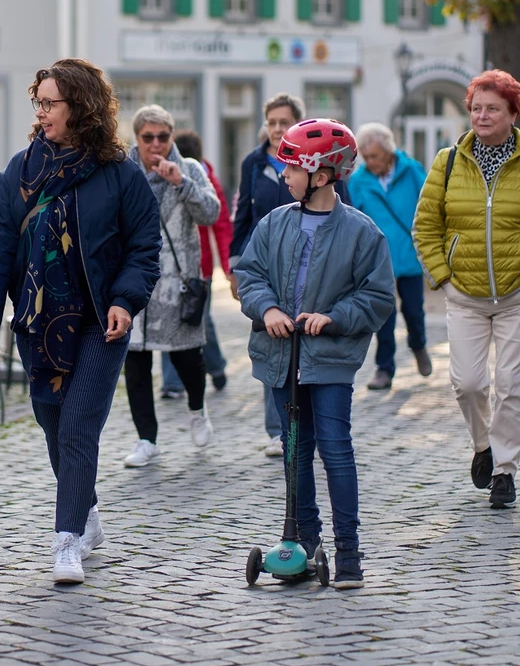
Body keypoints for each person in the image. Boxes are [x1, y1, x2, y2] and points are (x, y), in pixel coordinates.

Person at [0, 59, 161, 585]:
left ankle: (66, 540)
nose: (42, 111)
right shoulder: (22, 169)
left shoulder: (120, 173)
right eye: (39, 102)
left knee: (78, 425)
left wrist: (125, 299)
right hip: (39, 320)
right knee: (53, 422)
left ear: (82, 107)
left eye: (51, 102)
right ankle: (89, 515)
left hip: (100, 319)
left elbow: (144, 246)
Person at [234, 118, 394, 589]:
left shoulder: (362, 233)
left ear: (321, 176)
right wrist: (266, 310)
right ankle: (304, 540)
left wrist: (336, 315)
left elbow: (379, 295)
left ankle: (348, 552)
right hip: (282, 356)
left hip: (329, 361)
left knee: (336, 451)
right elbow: (250, 274)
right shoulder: (274, 223)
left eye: (292, 168)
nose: (283, 176)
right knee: (294, 452)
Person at [413, 70, 520, 509]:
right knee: (467, 383)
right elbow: (425, 227)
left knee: (510, 385)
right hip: (464, 295)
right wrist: (442, 277)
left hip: (518, 296)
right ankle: (482, 443)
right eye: (476, 108)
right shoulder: (447, 162)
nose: (482, 116)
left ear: (512, 113)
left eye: (492, 108)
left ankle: (504, 471)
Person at [230, 93, 351, 458]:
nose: (277, 128)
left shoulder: (321, 164)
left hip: (313, 264)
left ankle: (314, 425)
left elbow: (342, 214)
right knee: (275, 347)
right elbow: (243, 214)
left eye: (284, 122)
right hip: (269, 257)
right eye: (272, 122)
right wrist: (236, 264)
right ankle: (278, 429)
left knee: (310, 351)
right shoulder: (253, 163)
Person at [122, 105, 220, 469]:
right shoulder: (123, 171)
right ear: (137, 138)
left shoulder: (190, 169)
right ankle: (146, 439)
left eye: (164, 137)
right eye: (148, 137)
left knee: (187, 357)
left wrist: (181, 182)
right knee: (135, 362)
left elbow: (211, 213)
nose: (157, 144)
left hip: (176, 284)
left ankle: (197, 409)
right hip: (134, 283)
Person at [348, 123, 432, 390]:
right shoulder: (359, 180)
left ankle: (418, 345)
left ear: (388, 152)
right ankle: (384, 369)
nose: (370, 162)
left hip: (408, 255)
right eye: (365, 157)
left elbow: (430, 206)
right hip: (377, 260)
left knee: (413, 310)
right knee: (382, 316)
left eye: (374, 156)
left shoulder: (412, 171)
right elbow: (352, 219)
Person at [159, 130, 232, 397]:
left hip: (200, 268)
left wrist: (228, 267)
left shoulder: (208, 181)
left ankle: (216, 366)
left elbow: (221, 225)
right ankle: (172, 382)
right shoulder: (164, 177)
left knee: (201, 321)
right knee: (169, 318)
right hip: (168, 267)